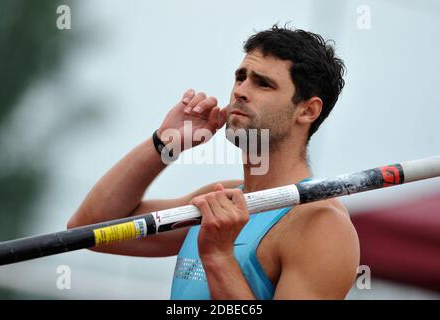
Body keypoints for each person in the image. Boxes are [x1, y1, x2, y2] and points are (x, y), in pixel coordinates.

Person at [67, 25, 360, 300]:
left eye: (263, 84)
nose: (240, 91)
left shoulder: (322, 225)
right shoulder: (219, 199)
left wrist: (218, 257)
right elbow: (90, 230)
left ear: (308, 110)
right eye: (241, 76)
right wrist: (164, 144)